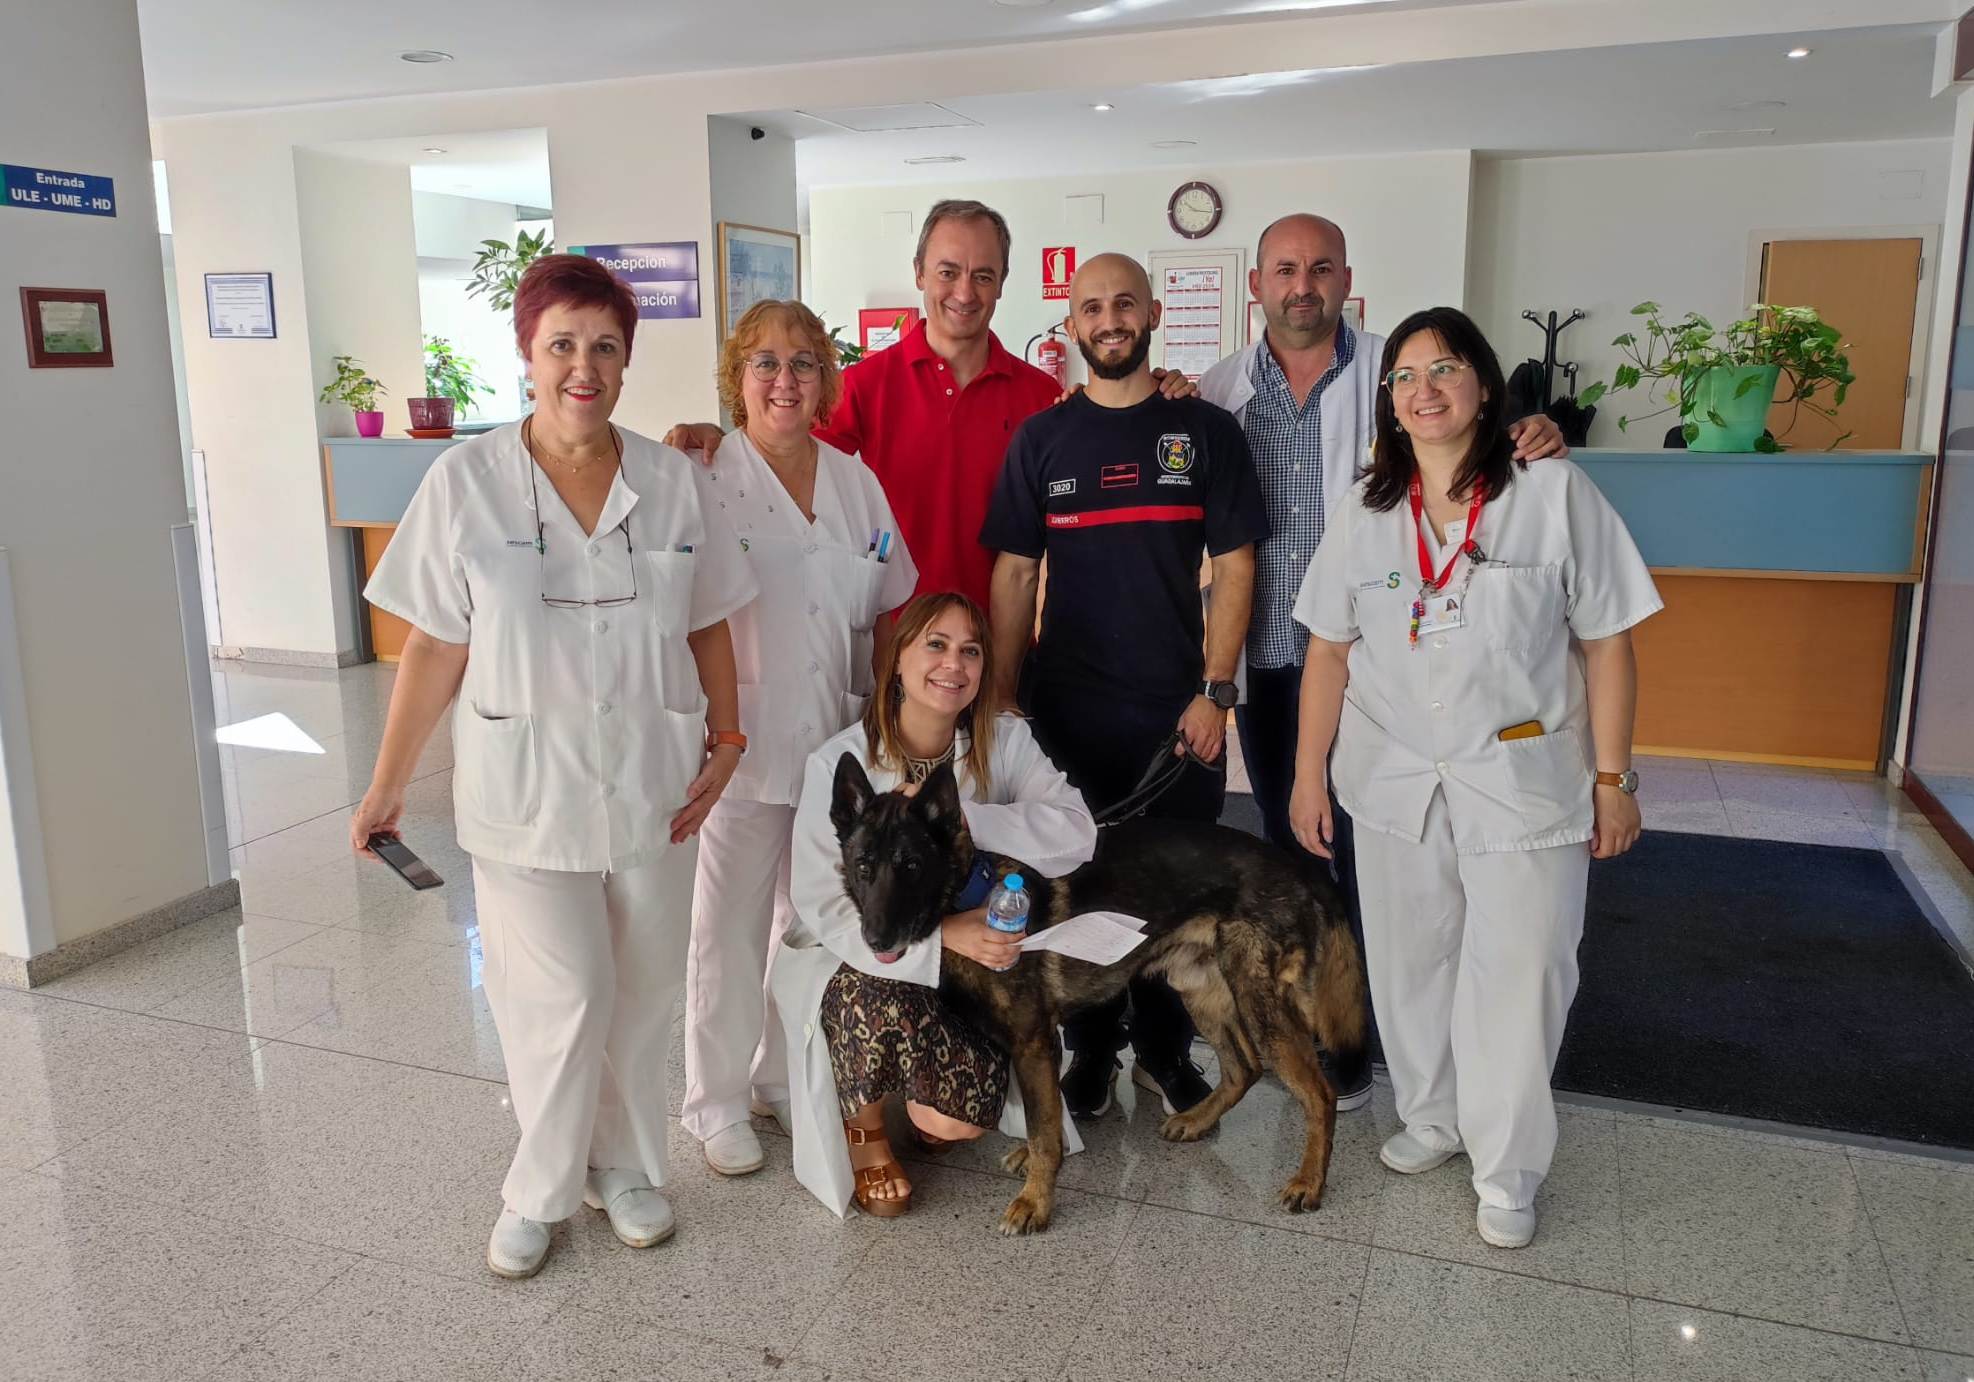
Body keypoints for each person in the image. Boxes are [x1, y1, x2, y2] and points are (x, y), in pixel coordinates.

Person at [350, 254, 758, 1280]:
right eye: (562, 344)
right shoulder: (467, 482)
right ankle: (537, 1190)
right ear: (527, 355)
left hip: (656, 779)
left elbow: (708, 619)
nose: (584, 365)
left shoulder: (671, 481)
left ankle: (623, 1167)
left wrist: (727, 738)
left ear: (628, 359)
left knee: (644, 985)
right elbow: (437, 643)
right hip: (523, 787)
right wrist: (389, 778)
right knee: (563, 993)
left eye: (605, 345)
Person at [1287, 306, 1658, 1250]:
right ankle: (1436, 1117)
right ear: (1390, 401)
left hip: (1523, 776)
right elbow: (1329, 649)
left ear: (1485, 385)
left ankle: (1508, 1166)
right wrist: (1306, 776)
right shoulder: (1369, 508)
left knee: (1524, 970)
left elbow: (1607, 642)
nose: (1424, 390)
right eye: (1405, 376)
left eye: (1444, 368)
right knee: (1412, 959)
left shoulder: (1551, 491)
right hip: (1393, 776)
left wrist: (1615, 779)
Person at [1198, 214, 1569, 1111]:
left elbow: (1478, 438)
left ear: (1345, 279)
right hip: (1275, 651)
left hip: (1391, 658)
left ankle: (1400, 1034)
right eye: (1284, 269)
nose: (1302, 285)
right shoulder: (1216, 390)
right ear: (1257, 285)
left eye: (1319, 268)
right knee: (1300, 842)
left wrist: (1538, 430)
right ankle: (1337, 1029)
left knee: (1387, 851)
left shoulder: (1393, 375)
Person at [982, 252, 1267, 1120]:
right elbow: (1014, 574)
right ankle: (1094, 1055)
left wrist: (1216, 691)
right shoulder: (1042, 439)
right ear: (1071, 325)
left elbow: (1235, 564)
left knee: (1175, 889)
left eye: (1124, 304)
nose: (1109, 320)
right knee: (1079, 885)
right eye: (1091, 307)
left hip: (1175, 713)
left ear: (1151, 316)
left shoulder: (1206, 433)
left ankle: (1163, 1051)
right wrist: (1000, 697)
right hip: (1067, 710)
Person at [666, 199, 1190, 610]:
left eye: (983, 274)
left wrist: (1158, 393)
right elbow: (777, 443)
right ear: (919, 273)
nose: (964, 290)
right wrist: (716, 434)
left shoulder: (1041, 398)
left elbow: (1112, 443)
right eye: (947, 271)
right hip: (890, 652)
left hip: (1001, 649)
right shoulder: (860, 387)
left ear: (1003, 282)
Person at [681, 299, 918, 1179]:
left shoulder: (857, 481)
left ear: (827, 379)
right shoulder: (702, 478)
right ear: (735, 380)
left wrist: (885, 720)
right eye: (765, 364)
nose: (785, 380)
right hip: (740, 745)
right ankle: (711, 1103)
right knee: (727, 929)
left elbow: (888, 603)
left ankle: (777, 1077)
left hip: (837, 744)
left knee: (808, 922)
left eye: (804, 363)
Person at [772, 592, 1098, 1217]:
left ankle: (919, 1105)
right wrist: (945, 934)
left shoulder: (1002, 741)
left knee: (953, 1126)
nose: (955, 664)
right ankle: (865, 1136)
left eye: (970, 651)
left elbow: (1076, 833)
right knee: (870, 970)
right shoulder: (841, 761)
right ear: (898, 660)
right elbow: (822, 903)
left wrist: (960, 818)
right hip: (854, 958)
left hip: (968, 969)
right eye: (937, 645)